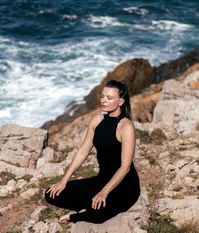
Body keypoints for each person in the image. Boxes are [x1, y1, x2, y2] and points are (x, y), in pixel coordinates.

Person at [45, 79, 140, 224]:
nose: (104, 100)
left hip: (125, 186)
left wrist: (104, 192)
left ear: (120, 101)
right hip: (101, 180)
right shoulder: (97, 120)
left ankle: (76, 216)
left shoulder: (126, 126)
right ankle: (88, 208)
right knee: (51, 194)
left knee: (100, 211)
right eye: (103, 96)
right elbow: (83, 151)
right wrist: (63, 181)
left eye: (109, 98)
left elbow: (125, 167)